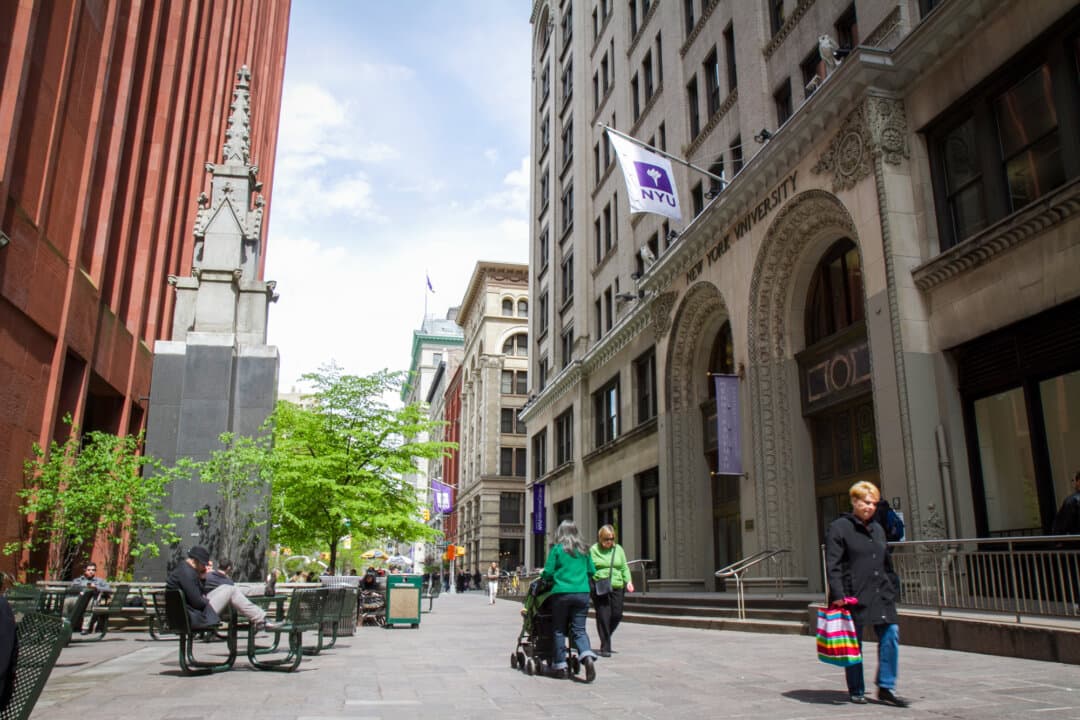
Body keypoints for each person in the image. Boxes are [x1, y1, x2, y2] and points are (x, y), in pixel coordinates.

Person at [825, 481, 908, 707]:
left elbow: (886, 562)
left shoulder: (878, 529)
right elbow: (833, 564)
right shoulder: (839, 527)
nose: (870, 507)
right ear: (854, 501)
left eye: (873, 503)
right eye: (866, 502)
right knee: (854, 644)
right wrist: (838, 594)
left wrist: (893, 586)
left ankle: (886, 687)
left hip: (881, 593)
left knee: (891, 634)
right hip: (853, 595)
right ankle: (856, 689)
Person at [166, 546, 280, 631]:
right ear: (195, 561)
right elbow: (198, 602)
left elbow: (196, 596)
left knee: (228, 588)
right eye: (203, 564)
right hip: (193, 617)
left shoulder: (183, 570)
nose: (205, 567)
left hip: (186, 615)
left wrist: (202, 578)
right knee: (231, 589)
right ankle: (261, 620)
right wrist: (206, 599)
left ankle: (261, 619)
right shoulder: (187, 574)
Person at [541, 520, 599, 682]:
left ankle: (560, 666)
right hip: (582, 593)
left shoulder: (557, 549)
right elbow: (592, 571)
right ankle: (586, 656)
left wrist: (545, 576)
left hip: (561, 593)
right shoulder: (584, 550)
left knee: (559, 629)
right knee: (579, 629)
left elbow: (548, 572)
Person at [589, 524, 634, 657]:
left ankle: (606, 635)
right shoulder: (594, 550)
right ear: (600, 538)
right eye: (607, 539)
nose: (609, 541)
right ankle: (605, 647)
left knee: (617, 614)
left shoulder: (618, 549)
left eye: (612, 538)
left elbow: (624, 567)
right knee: (603, 615)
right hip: (600, 586)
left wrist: (628, 581)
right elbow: (589, 567)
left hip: (617, 585)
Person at [71, 562, 111, 633]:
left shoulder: (99, 581)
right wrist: (83, 586)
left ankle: (85, 628)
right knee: (67, 602)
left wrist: (96, 587)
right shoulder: (78, 580)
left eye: (93, 570)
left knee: (89, 603)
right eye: (89, 570)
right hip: (77, 599)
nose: (91, 572)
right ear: (85, 570)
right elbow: (72, 588)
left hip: (93, 600)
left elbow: (108, 589)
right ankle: (65, 624)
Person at [1052, 471, 1080, 535]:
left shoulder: (1072, 501)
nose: (1073, 484)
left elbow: (1061, 527)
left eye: (1073, 480)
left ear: (1078, 482)